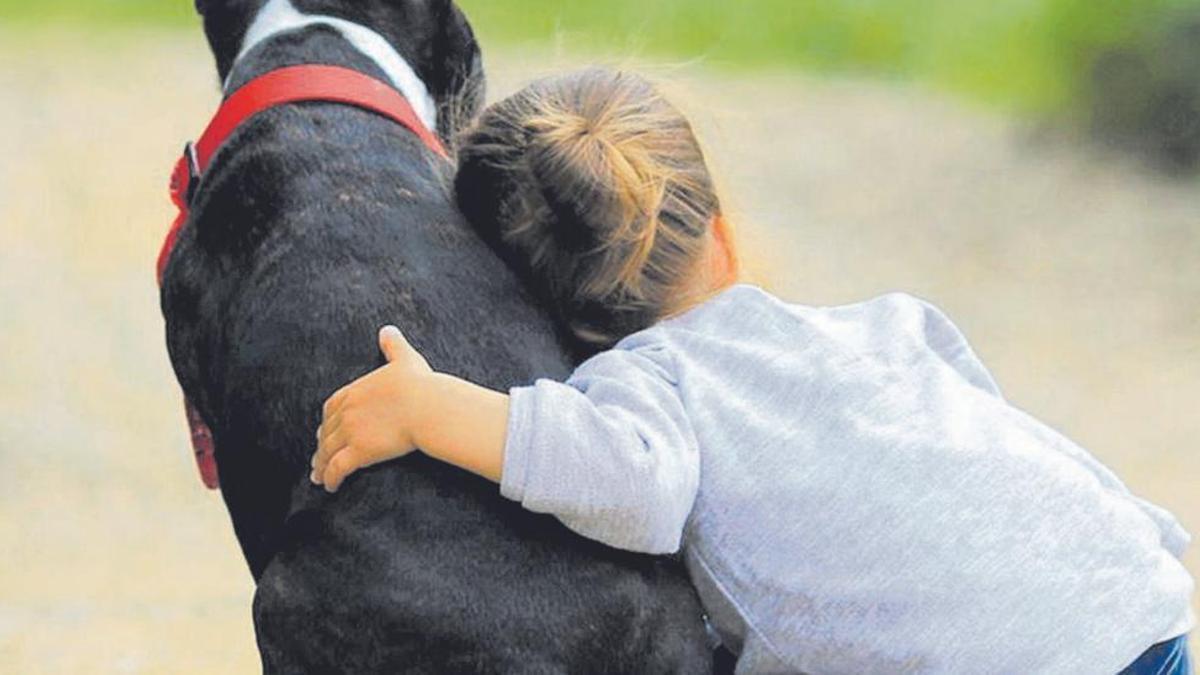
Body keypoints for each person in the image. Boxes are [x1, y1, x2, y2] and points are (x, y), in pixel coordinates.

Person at [309, 68, 1194, 674]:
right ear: (718, 228)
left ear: (557, 325)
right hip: (1135, 600)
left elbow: (630, 485)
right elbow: (993, 451)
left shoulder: (649, 385)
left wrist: (432, 410)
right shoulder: (889, 325)